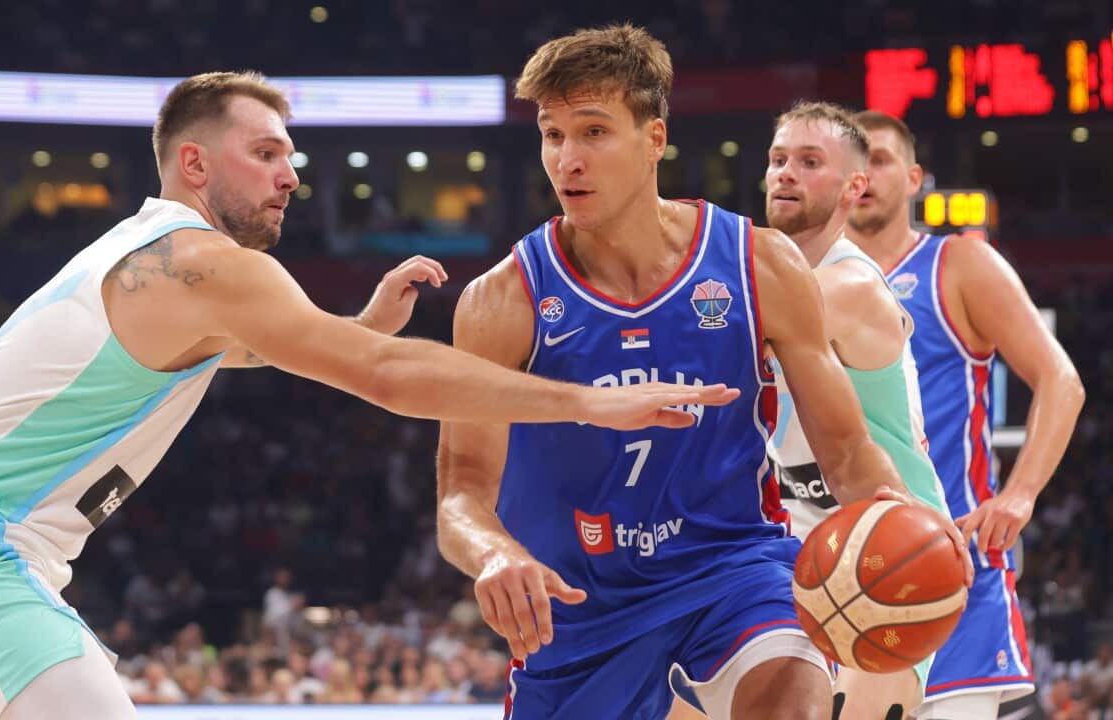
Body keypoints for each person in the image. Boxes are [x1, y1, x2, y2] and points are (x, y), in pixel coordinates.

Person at [0, 71, 733, 720]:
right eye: (267, 153)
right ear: (195, 162)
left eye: (291, 155)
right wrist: (588, 401)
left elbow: (234, 354)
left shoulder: (153, 256)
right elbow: (384, 381)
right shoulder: (203, 263)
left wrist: (357, 324)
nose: (291, 174)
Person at [435, 25, 969, 720]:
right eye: (552, 135)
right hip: (581, 604)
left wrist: (911, 520)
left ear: (654, 139)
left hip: (733, 569)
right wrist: (495, 554)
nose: (567, 158)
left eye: (593, 132)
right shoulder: (503, 300)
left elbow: (847, 455)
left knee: (791, 695)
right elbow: (460, 498)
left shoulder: (761, 266)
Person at [846, 109, 1085, 720]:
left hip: (949, 571)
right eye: (852, 162)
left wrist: (1021, 494)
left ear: (914, 177)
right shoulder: (806, 277)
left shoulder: (957, 265)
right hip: (842, 576)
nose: (864, 175)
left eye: (879, 159)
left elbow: (1061, 380)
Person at [762, 101, 955, 719]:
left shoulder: (847, 287)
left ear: (854, 187)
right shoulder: (772, 271)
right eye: (779, 159)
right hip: (795, 537)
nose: (786, 173)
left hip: (888, 551)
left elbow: (702, 333)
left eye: (809, 162)